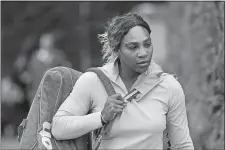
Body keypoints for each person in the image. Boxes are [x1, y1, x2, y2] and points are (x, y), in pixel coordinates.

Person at [51, 13, 194, 149]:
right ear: (116, 49)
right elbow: (58, 127)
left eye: (147, 44)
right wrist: (101, 117)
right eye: (133, 47)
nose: (143, 53)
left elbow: (182, 145)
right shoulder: (93, 81)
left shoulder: (168, 86)